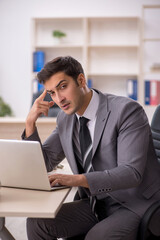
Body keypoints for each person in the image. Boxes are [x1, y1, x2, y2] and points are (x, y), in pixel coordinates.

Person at [22, 56, 160, 240]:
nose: (59, 99)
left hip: (134, 204)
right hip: (97, 203)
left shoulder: (127, 111)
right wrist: (30, 124)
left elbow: (131, 173)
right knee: (37, 223)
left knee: (97, 237)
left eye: (63, 87)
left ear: (81, 80)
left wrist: (75, 179)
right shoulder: (66, 119)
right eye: (51, 93)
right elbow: (44, 163)